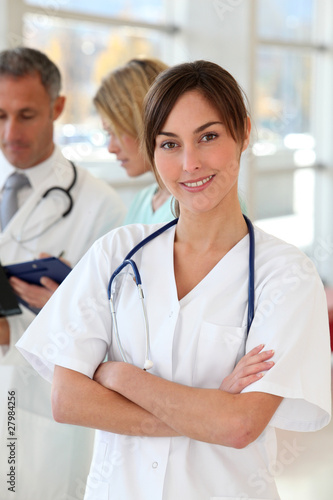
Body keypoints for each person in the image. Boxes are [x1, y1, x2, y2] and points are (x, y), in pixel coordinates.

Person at [16, 60, 331, 500]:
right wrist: (207, 409)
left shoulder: (286, 275)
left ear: (243, 133)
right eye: (169, 144)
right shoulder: (116, 253)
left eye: (208, 137)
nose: (189, 163)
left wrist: (120, 378)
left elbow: (240, 426)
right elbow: (68, 401)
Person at [0, 47, 126, 499]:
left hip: (35, 403)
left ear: (57, 108)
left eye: (26, 114)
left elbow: (116, 334)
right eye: (0, 115)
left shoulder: (101, 207)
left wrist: (14, 331)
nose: (11, 133)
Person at [93, 57, 174, 224]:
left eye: (116, 132)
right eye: (108, 134)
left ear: (144, 123)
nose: (111, 148)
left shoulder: (203, 203)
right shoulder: (142, 202)